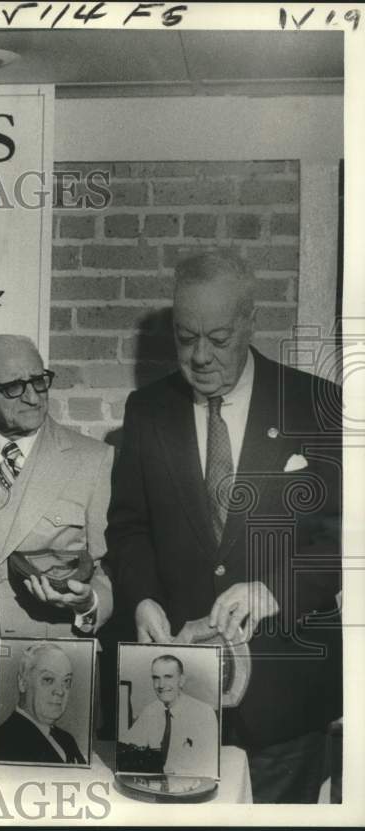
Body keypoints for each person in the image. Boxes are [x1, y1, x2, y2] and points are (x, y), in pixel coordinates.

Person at [107, 250, 342, 802]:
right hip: (174, 692)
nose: (201, 356)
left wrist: (273, 590)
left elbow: (343, 537)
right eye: (187, 338)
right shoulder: (147, 410)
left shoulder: (318, 404)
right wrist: (140, 597)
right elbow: (129, 527)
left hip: (284, 705)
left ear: (250, 322)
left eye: (218, 337)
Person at [0, 334, 113, 723]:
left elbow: (110, 569)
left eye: (39, 381)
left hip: (51, 675)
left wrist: (88, 603)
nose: (33, 397)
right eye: (14, 387)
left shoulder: (94, 460)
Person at [122, 655, 219, 777]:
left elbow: (208, 768)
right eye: (156, 678)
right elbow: (128, 746)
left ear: (181, 680)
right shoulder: (151, 710)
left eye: (168, 677)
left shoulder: (204, 714)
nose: (161, 685)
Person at [0, 642, 86, 765]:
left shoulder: (66, 739)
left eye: (66, 681)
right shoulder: (3, 742)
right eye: (48, 679)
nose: (60, 691)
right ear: (22, 683)